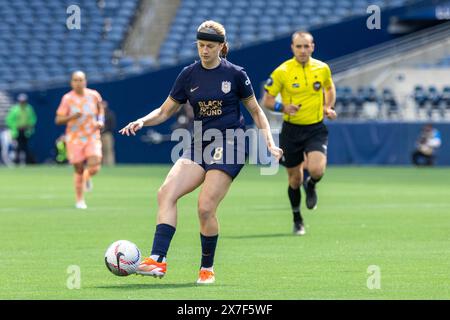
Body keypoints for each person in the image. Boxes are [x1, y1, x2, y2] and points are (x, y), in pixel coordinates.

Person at [119, 20, 283, 284]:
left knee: (205, 207)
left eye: (209, 46)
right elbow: (164, 111)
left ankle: (207, 268)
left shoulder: (236, 74)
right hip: (200, 143)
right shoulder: (188, 75)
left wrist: (269, 142)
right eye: (200, 45)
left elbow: (256, 111)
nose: (204, 50)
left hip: (231, 142)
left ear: (221, 47)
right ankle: (157, 260)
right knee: (166, 193)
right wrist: (142, 120)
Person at [262, 31, 337, 236]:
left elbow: (330, 88)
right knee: (294, 180)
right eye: (299, 46)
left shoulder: (322, 68)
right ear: (292, 48)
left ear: (313, 47)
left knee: (317, 170)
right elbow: (266, 101)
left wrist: (328, 107)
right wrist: (283, 107)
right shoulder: (282, 71)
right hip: (292, 131)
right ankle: (297, 219)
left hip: (315, 128)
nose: (303, 50)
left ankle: (311, 185)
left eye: (307, 46)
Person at [55, 71, 104, 209]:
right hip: (75, 138)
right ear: (71, 82)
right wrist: (71, 117)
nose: (78, 83)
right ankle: (80, 200)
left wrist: (100, 121)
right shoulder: (67, 99)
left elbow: (101, 110)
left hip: (92, 135)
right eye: (75, 80)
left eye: (81, 80)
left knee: (94, 165)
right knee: (78, 168)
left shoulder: (94, 95)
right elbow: (58, 119)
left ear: (85, 81)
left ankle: (87, 178)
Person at [5, 93, 37, 165]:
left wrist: (29, 125)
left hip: (26, 131)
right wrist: (16, 126)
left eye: (24, 101)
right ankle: (16, 161)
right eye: (21, 101)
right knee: (18, 147)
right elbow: (9, 120)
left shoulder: (29, 108)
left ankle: (27, 162)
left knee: (25, 147)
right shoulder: (15, 109)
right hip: (17, 131)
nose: (22, 102)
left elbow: (33, 119)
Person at [100, 100, 116, 166]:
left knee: (108, 150)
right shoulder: (97, 114)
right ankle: (101, 165)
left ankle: (110, 165)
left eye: (104, 105)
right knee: (100, 151)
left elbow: (112, 125)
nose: (102, 106)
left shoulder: (110, 114)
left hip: (107, 135)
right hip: (97, 135)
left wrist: (105, 130)